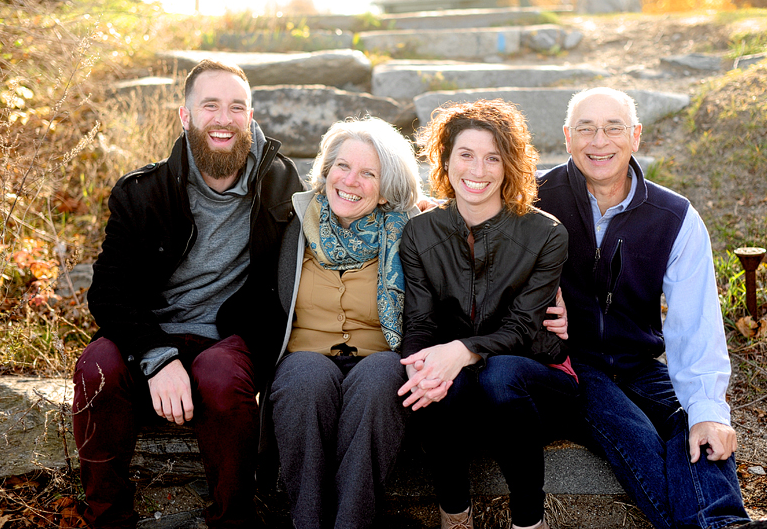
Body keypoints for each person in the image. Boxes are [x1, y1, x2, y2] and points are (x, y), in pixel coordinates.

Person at [537, 87, 767, 529]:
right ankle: (719, 524)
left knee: (694, 420)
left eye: (613, 128)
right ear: (567, 137)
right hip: (570, 365)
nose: (600, 141)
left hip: (638, 360)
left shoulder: (674, 216)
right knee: (631, 430)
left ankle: (724, 525)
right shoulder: (535, 198)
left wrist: (709, 407)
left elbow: (696, 322)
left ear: (635, 136)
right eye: (586, 129)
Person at [72, 59, 304, 529]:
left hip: (227, 339)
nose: (224, 118)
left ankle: (231, 520)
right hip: (151, 332)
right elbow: (109, 292)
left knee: (219, 376)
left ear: (252, 117)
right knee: (96, 367)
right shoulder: (143, 192)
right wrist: (156, 356)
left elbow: (338, 209)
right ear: (185, 116)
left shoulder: (280, 183)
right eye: (210, 106)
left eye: (237, 107)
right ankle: (110, 519)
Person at [397, 99, 578, 529]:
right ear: (445, 159)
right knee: (437, 376)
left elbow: (523, 329)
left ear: (509, 165)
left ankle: (529, 522)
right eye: (466, 155)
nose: (477, 171)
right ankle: (455, 516)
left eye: (492, 157)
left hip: (534, 379)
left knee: (499, 374)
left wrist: (462, 349)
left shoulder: (546, 233)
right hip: (461, 390)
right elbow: (420, 322)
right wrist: (420, 367)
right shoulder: (419, 232)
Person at [270, 117, 422, 529]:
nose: (350, 181)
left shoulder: (411, 234)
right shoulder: (293, 225)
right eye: (342, 166)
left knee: (382, 378)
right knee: (305, 380)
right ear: (325, 170)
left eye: (368, 173)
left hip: (381, 358)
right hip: (304, 357)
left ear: (387, 185)